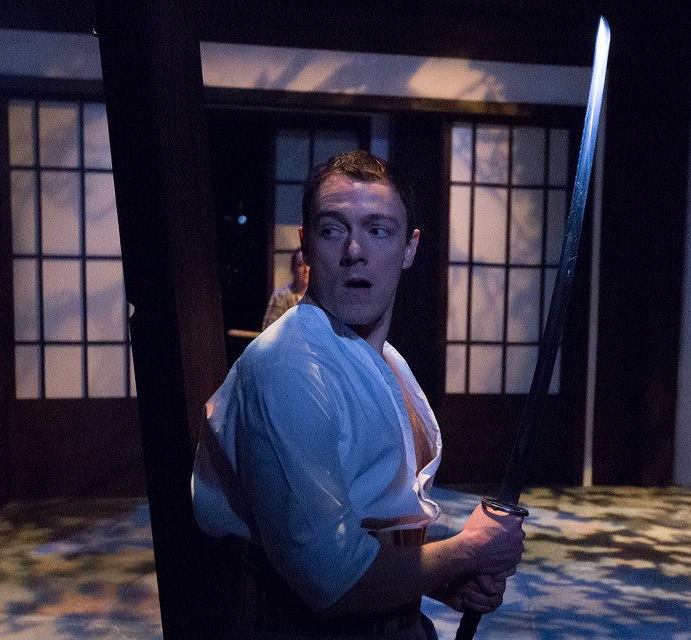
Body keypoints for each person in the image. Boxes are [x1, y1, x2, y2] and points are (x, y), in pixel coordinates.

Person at [192, 150, 525, 639]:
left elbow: (373, 527)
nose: (354, 250)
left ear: (409, 248)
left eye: (378, 230)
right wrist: (468, 550)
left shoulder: (388, 361)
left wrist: (437, 581)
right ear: (306, 246)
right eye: (332, 230)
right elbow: (330, 580)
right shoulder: (286, 366)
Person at [261, 248, 309, 330]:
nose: (306, 270)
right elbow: (269, 330)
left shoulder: (319, 298)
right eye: (300, 265)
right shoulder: (281, 296)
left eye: (309, 264)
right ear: (293, 269)